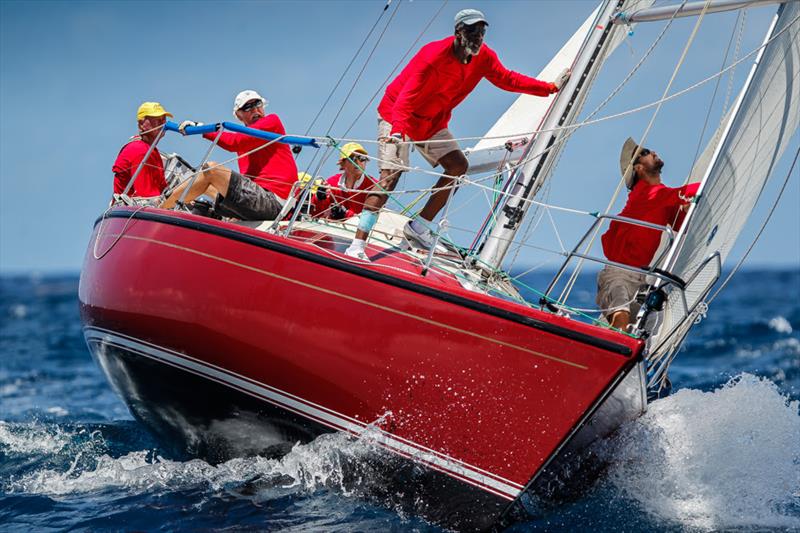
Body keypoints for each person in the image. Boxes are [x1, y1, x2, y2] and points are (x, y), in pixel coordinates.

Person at [344, 8, 570, 260]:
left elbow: (508, 79)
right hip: (397, 115)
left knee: (458, 165)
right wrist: (397, 131)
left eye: (482, 32)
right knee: (390, 175)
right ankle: (357, 245)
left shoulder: (483, 57)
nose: (478, 38)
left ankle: (419, 227)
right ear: (458, 32)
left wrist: (550, 88)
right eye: (472, 31)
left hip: (431, 123)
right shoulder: (433, 55)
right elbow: (405, 101)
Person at [597, 138, 701, 330]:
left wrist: (686, 209)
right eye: (644, 152)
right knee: (621, 318)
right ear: (638, 168)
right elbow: (681, 192)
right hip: (618, 273)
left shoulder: (661, 199)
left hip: (641, 279)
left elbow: (682, 225)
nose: (652, 151)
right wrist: (704, 186)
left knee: (644, 332)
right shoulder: (644, 193)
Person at [162, 90, 298, 220]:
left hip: (275, 202)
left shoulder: (272, 121)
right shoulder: (245, 140)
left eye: (257, 104)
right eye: (247, 107)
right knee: (203, 182)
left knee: (212, 170)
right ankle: (166, 206)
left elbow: (233, 143)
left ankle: (160, 207)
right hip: (260, 200)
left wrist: (200, 128)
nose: (255, 110)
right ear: (239, 115)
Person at [112, 102, 173, 202]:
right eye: (157, 119)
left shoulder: (152, 151)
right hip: (134, 213)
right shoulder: (139, 150)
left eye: (163, 119)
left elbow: (163, 189)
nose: (163, 123)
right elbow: (147, 197)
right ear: (141, 124)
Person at [313, 143, 378, 220]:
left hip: (360, 231)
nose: (357, 162)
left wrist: (346, 215)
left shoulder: (374, 186)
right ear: (342, 163)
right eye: (352, 158)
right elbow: (315, 214)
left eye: (362, 158)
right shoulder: (332, 183)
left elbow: (375, 219)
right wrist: (318, 199)